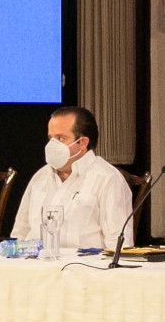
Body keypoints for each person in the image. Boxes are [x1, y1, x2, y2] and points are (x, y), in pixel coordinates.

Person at [10, 105, 133, 251]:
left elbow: (118, 245)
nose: (52, 145)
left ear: (83, 143)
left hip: (83, 264)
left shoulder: (107, 178)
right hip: (34, 262)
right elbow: (20, 233)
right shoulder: (40, 177)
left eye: (60, 138)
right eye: (50, 138)